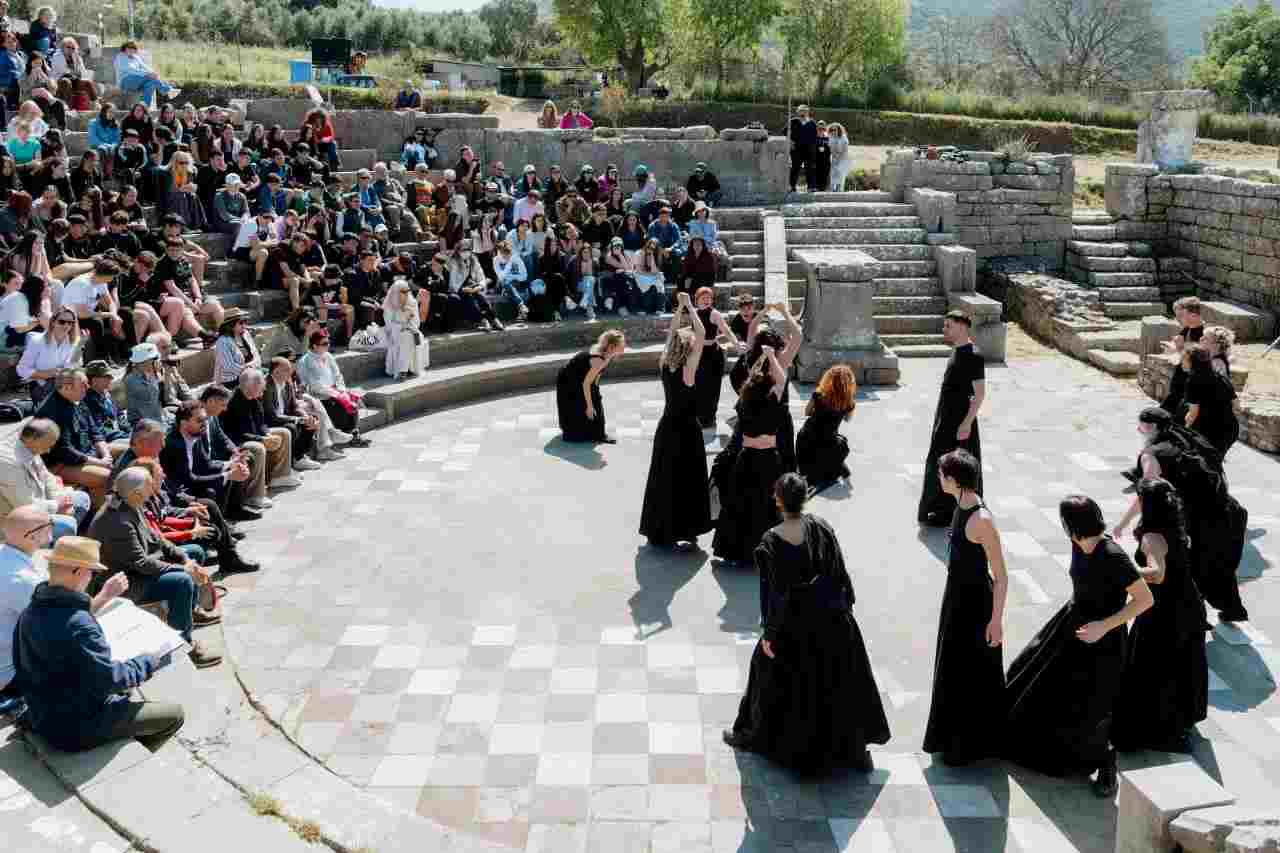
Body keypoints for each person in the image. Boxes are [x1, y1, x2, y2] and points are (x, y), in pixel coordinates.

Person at [723, 472, 889, 774]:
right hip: (833, 619)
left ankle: (759, 736)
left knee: (765, 669)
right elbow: (840, 572)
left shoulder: (771, 541)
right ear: (805, 498)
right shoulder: (821, 527)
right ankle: (853, 750)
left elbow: (774, 597)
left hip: (795, 626)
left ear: (778, 500)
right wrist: (847, 608)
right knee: (841, 679)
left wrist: (769, 635)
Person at [1004, 495, 1153, 798]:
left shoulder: (1112, 555)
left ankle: (1106, 764)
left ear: (1071, 525)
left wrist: (1103, 626)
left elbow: (1145, 600)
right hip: (1072, 625)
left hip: (1103, 638)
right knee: (1038, 682)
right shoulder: (1078, 543)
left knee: (1092, 705)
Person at [10, 534, 186, 752]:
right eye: (91, 572)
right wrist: (148, 660)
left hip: (42, 712)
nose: (91, 578)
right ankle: (128, 747)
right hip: (76, 726)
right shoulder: (78, 624)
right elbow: (112, 680)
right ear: (78, 571)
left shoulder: (29, 612)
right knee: (175, 714)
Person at [1114, 407, 1249, 624]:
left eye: (1142, 427)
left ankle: (1194, 619)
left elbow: (1148, 494)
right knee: (1216, 565)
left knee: (1189, 568)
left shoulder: (1150, 455)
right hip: (1225, 510)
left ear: (1153, 428)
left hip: (1198, 519)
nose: (1139, 430)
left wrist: (1123, 523)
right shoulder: (1187, 438)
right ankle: (1231, 609)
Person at [919, 448, 1009, 766]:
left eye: (942, 474)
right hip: (956, 597)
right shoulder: (961, 503)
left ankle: (969, 746)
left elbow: (1001, 575)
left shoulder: (981, 520)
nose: (938, 478)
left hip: (974, 604)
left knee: (970, 672)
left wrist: (995, 621)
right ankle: (951, 740)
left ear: (955, 480)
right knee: (954, 668)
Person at [1109, 477, 1208, 755]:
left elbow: (1158, 573)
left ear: (1147, 503)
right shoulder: (1175, 526)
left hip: (1165, 610)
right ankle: (1178, 718)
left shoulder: (1152, 537)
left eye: (1139, 498)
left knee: (1151, 665)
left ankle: (1154, 725)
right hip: (1188, 603)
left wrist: (1123, 571)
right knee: (1179, 663)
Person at [89, 468, 221, 667]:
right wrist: (183, 570)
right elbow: (142, 563)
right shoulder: (118, 521)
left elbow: (157, 538)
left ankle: (187, 611)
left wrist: (184, 558)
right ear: (136, 493)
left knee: (195, 552)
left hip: (141, 568)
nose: (153, 490)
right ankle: (183, 644)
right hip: (127, 582)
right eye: (149, 485)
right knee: (182, 581)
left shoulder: (131, 502)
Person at [713, 333, 799, 565]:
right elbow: (782, 379)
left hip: (746, 457)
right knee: (766, 507)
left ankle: (738, 552)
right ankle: (766, 551)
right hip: (768, 458)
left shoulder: (745, 396)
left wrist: (764, 359)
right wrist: (771, 357)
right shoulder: (773, 396)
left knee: (742, 505)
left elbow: (764, 378)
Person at [639, 292, 713, 547]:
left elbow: (672, 334)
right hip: (687, 429)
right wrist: (689, 306)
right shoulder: (688, 370)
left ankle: (661, 529)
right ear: (689, 348)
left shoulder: (664, 364)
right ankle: (687, 528)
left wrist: (680, 308)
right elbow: (702, 333)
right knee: (687, 480)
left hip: (667, 426)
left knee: (665, 477)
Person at [918, 311, 985, 526]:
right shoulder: (956, 350)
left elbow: (980, 394)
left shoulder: (974, 355)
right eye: (944, 325)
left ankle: (952, 512)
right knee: (939, 464)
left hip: (959, 422)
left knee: (955, 467)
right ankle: (939, 509)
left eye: (949, 326)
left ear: (962, 327)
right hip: (946, 419)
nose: (944, 329)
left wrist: (966, 423)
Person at [34, 368, 114, 506]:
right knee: (106, 476)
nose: (88, 387)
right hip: (61, 464)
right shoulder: (51, 411)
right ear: (66, 388)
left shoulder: (77, 399)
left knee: (127, 448)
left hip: (86, 452)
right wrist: (99, 462)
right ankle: (99, 513)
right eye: (83, 384)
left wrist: (105, 455)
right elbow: (64, 451)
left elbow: (94, 431)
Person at [6, 419, 91, 542]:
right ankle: (50, 547)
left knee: (81, 498)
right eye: (48, 445)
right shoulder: (10, 463)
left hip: (44, 506)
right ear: (33, 438)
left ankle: (58, 543)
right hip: (21, 521)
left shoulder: (31, 448)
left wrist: (61, 499)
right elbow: (25, 505)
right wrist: (57, 505)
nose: (48, 451)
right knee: (67, 525)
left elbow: (47, 478)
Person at [296, 331, 371, 447]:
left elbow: (338, 375)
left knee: (351, 401)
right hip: (319, 395)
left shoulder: (328, 356)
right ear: (314, 346)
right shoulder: (305, 361)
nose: (328, 346)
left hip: (335, 391)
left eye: (328, 343)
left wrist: (341, 390)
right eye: (324, 344)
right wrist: (334, 394)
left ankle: (354, 434)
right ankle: (349, 435)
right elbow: (314, 384)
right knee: (338, 406)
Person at [265, 355, 344, 463]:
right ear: (276, 372)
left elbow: (294, 406)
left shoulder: (287, 383)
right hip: (269, 421)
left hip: (284, 417)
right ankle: (294, 459)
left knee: (313, 419)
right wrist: (299, 419)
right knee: (292, 427)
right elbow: (272, 415)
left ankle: (300, 457)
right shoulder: (266, 385)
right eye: (286, 370)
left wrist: (306, 417)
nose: (290, 372)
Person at [556, 330, 625, 444]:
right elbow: (586, 384)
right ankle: (584, 432)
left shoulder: (607, 354)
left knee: (596, 399)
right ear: (612, 347)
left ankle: (598, 433)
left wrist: (595, 393)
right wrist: (589, 406)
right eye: (621, 345)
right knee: (582, 405)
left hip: (579, 375)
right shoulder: (599, 359)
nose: (624, 347)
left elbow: (596, 377)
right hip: (568, 380)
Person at [796, 364, 856, 494]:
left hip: (807, 438)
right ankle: (834, 467)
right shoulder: (849, 402)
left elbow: (807, 412)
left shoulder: (818, 395)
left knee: (812, 442)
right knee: (839, 446)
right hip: (828, 442)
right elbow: (848, 419)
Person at [690, 287, 737, 429]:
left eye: (709, 298)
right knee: (698, 386)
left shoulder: (714, 313)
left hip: (712, 354)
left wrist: (736, 344)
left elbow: (726, 330)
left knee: (712, 388)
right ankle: (699, 416)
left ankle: (709, 418)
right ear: (697, 299)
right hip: (698, 352)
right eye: (703, 298)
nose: (706, 300)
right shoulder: (694, 313)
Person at [1184, 344, 1239, 458]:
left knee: (1202, 463)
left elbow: (1193, 414)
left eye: (1183, 359)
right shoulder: (1220, 377)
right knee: (1215, 462)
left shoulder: (1193, 381)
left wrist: (1185, 430)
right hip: (1229, 429)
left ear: (1192, 362)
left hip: (1209, 431)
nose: (1182, 362)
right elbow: (1236, 404)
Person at [18, 307, 81, 405]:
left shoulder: (72, 342)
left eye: (70, 322)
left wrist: (80, 347)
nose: (66, 325)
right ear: (53, 322)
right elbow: (21, 369)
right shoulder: (37, 341)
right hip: (41, 386)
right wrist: (46, 374)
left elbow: (74, 366)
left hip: (64, 384)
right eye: (62, 322)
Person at [112, 41, 179, 105]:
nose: (131, 50)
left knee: (152, 83)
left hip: (139, 81)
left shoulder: (136, 57)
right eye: (129, 48)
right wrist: (147, 74)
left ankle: (145, 106)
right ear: (125, 48)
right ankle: (168, 90)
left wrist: (154, 73)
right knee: (150, 77)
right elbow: (130, 70)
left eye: (133, 48)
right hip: (126, 82)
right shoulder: (120, 57)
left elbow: (145, 67)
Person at [382, 280, 424, 380]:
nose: (406, 294)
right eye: (403, 292)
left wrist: (408, 321)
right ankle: (404, 369)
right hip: (394, 332)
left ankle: (402, 370)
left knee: (407, 336)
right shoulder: (390, 305)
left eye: (407, 291)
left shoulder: (412, 303)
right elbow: (389, 325)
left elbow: (416, 322)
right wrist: (401, 324)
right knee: (405, 336)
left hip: (410, 330)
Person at [83, 359, 129, 443]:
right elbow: (100, 429)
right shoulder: (89, 401)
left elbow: (119, 415)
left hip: (118, 435)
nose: (111, 378)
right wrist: (125, 436)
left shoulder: (106, 394)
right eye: (106, 377)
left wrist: (129, 431)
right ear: (94, 380)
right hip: (106, 441)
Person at [212, 308, 261, 387]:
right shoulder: (222, 341)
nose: (244, 325)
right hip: (231, 380)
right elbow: (229, 367)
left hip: (250, 374)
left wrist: (251, 367)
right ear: (231, 325)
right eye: (241, 323)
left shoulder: (246, 334)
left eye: (245, 321)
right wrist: (247, 371)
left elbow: (256, 356)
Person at [788, 105, 818, 193]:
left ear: (808, 112)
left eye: (805, 111)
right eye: (801, 111)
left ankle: (811, 187)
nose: (803, 113)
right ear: (797, 112)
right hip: (796, 149)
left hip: (809, 150)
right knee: (795, 168)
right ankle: (792, 186)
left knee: (809, 168)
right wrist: (790, 141)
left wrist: (813, 149)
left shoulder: (812, 123)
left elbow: (815, 137)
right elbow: (785, 132)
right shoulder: (793, 121)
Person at [827, 123, 851, 191]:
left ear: (839, 130)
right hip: (834, 159)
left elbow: (845, 150)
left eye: (835, 130)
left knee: (841, 176)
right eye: (831, 130)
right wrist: (835, 157)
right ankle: (833, 190)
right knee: (833, 175)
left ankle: (839, 190)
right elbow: (831, 150)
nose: (833, 131)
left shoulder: (844, 138)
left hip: (843, 159)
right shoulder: (831, 138)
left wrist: (839, 158)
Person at [814, 122, 832, 193]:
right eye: (819, 128)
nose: (821, 130)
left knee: (825, 177)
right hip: (816, 161)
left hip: (826, 161)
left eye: (823, 129)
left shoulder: (828, 138)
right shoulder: (814, 137)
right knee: (817, 176)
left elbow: (831, 149)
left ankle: (823, 190)